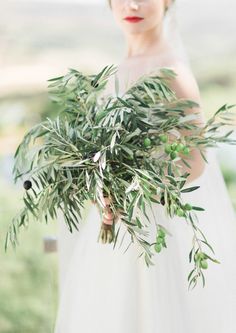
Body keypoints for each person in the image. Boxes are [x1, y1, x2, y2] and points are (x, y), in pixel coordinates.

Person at [54, 1, 236, 332]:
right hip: (113, 228)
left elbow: (195, 162)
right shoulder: (118, 68)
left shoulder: (173, 71)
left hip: (152, 225)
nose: (133, 5)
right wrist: (102, 189)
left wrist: (136, 188)